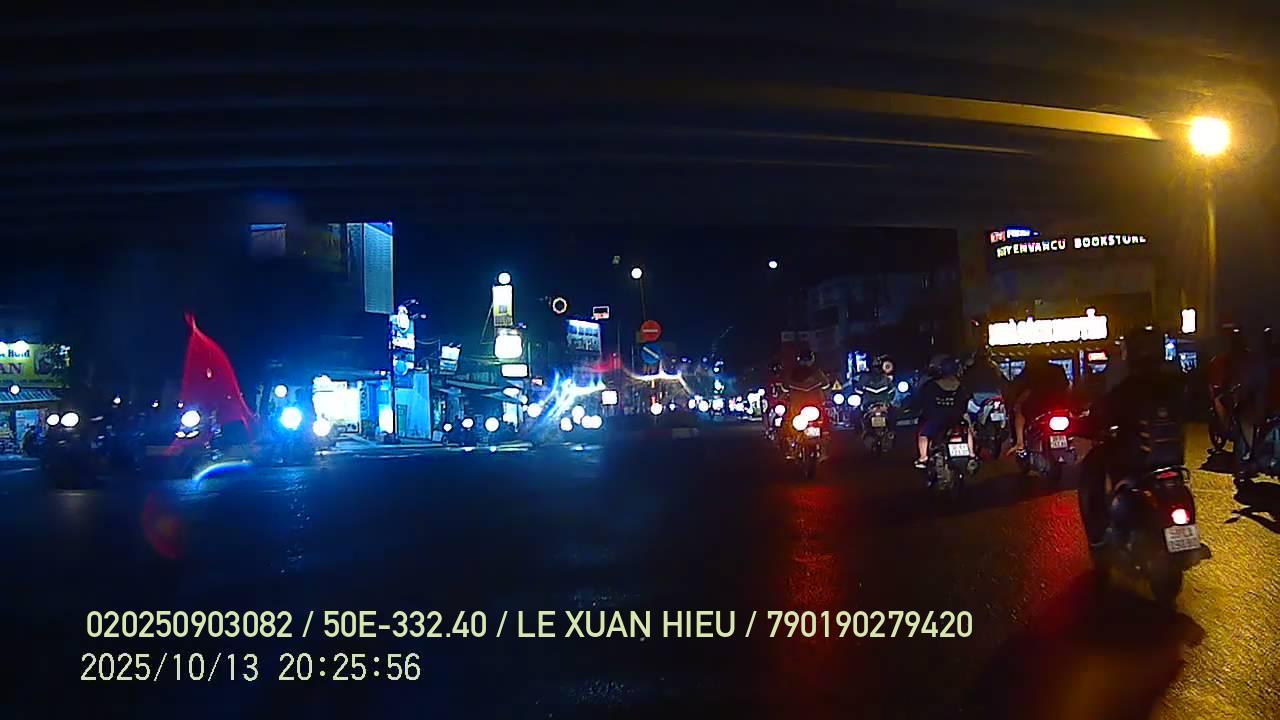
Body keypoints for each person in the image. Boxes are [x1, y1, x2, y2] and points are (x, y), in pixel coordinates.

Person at [1078, 327, 1186, 546]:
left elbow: (1100, 416)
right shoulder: (1175, 384)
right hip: (1173, 459)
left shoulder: (1128, 389)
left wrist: (1083, 426)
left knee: (1094, 464)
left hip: (1136, 460)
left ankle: (1098, 531)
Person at [912, 356, 974, 469]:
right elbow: (965, 400)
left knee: (923, 434)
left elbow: (924, 401)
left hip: (937, 419)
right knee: (967, 430)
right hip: (956, 418)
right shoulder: (961, 385)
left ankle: (923, 458)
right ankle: (972, 454)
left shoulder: (931, 385)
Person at [1008, 358, 1070, 455]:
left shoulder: (1029, 372)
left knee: (1018, 410)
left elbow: (1019, 388)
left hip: (1038, 407)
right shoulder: (1057, 369)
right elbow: (1067, 386)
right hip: (1059, 405)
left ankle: (1020, 443)